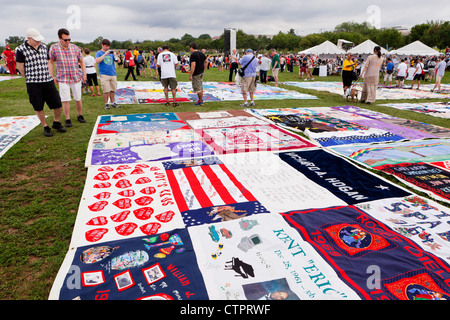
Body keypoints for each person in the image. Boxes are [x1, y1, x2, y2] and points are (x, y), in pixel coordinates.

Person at [15, 28, 66, 137]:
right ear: (29, 38)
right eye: (36, 39)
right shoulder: (20, 49)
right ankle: (45, 126)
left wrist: (49, 74)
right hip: (33, 83)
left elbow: (48, 61)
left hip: (47, 81)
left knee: (57, 103)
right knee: (38, 106)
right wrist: (28, 76)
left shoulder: (43, 47)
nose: (38, 41)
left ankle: (56, 122)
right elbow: (20, 66)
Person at [49, 28, 86, 127]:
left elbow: (82, 61)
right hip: (63, 78)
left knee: (78, 97)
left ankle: (80, 114)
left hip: (75, 77)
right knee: (65, 99)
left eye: (69, 39)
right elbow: (51, 62)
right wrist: (52, 75)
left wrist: (84, 74)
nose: (67, 42)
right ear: (59, 38)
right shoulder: (54, 48)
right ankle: (67, 118)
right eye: (65, 40)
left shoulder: (74, 48)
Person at [95, 39, 119, 109]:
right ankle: (106, 104)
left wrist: (115, 55)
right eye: (106, 46)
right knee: (106, 90)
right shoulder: (99, 53)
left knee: (113, 89)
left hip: (113, 73)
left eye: (108, 46)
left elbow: (118, 61)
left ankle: (113, 102)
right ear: (102, 45)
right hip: (104, 74)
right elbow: (97, 61)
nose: (107, 48)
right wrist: (104, 54)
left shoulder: (111, 53)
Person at [189, 42, 208, 106]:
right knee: (200, 86)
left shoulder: (193, 55)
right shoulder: (201, 53)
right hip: (201, 72)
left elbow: (193, 65)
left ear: (191, 47)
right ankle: (200, 100)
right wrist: (204, 69)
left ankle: (200, 101)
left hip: (196, 73)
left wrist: (191, 74)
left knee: (198, 88)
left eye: (190, 48)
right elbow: (207, 61)